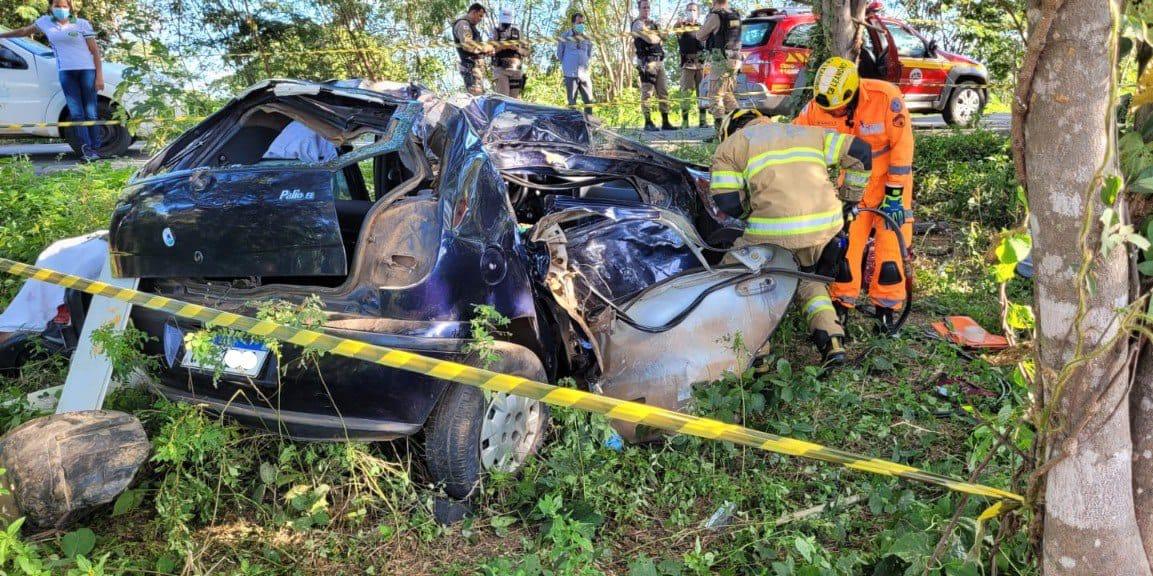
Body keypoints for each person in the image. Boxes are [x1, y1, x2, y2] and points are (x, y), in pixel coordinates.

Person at [711, 110, 872, 366]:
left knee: (735, 280)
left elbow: (728, 202)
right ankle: (832, 340)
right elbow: (861, 152)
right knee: (808, 280)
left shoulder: (732, 145)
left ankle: (757, 355)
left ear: (730, 129)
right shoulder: (806, 132)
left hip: (771, 234)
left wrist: (749, 211)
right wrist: (849, 199)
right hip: (824, 229)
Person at [794, 57, 915, 333]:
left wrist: (894, 193)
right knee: (845, 248)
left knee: (890, 252)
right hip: (852, 187)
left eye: (839, 110)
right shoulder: (817, 107)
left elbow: (902, 147)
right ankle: (841, 304)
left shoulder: (886, 98)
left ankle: (887, 311)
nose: (834, 115)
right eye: (830, 111)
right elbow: (794, 134)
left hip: (891, 184)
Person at [1, 0, 105, 160]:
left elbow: (95, 51)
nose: (61, 9)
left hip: (87, 71)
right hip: (66, 73)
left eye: (64, 6)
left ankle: (98, 149)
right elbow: (23, 31)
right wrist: (2, 35)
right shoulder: (45, 22)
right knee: (77, 115)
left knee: (91, 113)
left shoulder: (81, 24)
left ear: (70, 8)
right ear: (51, 7)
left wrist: (99, 76)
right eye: (57, 5)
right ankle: (87, 151)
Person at [694, 0, 742, 129]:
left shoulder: (716, 16)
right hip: (735, 58)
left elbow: (699, 35)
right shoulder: (735, 15)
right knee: (727, 93)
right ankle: (738, 126)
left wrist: (707, 19)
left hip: (720, 58)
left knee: (715, 96)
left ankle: (720, 132)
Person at [631, 0, 673, 131]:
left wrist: (658, 35)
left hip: (659, 61)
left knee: (663, 92)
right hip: (647, 62)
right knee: (647, 92)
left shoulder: (653, 24)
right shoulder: (637, 24)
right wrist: (657, 35)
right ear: (639, 8)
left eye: (648, 7)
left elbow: (664, 38)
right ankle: (648, 122)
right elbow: (652, 39)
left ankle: (665, 122)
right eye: (644, 7)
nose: (646, 9)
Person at [676, 2, 708, 129]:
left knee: (702, 94)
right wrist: (679, 24)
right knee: (686, 94)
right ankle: (685, 122)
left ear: (698, 12)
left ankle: (702, 121)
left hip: (701, 65)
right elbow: (676, 30)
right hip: (687, 65)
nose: (692, 12)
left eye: (694, 10)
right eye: (689, 10)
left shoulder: (702, 27)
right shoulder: (682, 26)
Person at [557, 13, 594, 116]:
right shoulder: (565, 36)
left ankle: (589, 124)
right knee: (572, 102)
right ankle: (574, 125)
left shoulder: (587, 37)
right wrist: (568, 63)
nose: (581, 25)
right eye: (579, 23)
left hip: (584, 73)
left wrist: (584, 62)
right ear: (573, 23)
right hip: (570, 73)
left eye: (582, 23)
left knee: (589, 100)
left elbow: (589, 53)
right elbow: (560, 53)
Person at [453, 3, 494, 96]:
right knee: (476, 97)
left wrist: (486, 52)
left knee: (480, 97)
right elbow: (467, 45)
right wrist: (485, 47)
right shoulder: (463, 24)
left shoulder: (471, 27)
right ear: (473, 12)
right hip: (471, 67)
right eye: (480, 15)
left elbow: (475, 47)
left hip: (476, 68)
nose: (480, 19)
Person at [491, 7, 529, 98]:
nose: (506, 24)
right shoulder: (495, 32)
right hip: (501, 70)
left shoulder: (518, 33)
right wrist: (504, 46)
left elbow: (527, 52)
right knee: (503, 98)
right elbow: (490, 51)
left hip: (516, 70)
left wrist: (517, 49)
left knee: (514, 100)